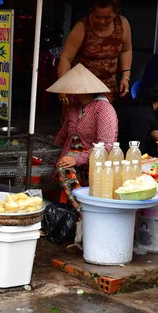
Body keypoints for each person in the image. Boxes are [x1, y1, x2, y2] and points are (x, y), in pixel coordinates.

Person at [46, 64, 118, 212]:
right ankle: (78, 209)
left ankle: (84, 210)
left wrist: (77, 159)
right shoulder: (74, 109)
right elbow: (63, 137)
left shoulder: (104, 109)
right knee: (62, 166)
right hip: (71, 160)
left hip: (95, 163)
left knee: (63, 169)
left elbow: (106, 146)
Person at [57, 0, 132, 104]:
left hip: (107, 87)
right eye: (97, 17)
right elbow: (66, 58)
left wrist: (125, 77)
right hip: (81, 89)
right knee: (80, 119)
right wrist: (62, 85)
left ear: (115, 13)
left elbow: (126, 50)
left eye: (107, 17)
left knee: (104, 118)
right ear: (91, 11)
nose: (102, 21)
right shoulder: (82, 27)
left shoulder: (122, 24)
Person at [118, 80, 158, 157]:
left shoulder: (147, 107)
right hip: (127, 157)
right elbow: (136, 150)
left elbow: (153, 130)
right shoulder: (142, 114)